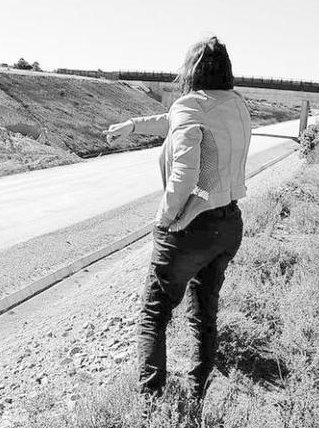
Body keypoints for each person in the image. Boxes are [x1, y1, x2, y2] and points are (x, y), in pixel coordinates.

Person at [103, 36, 251, 399]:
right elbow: (174, 120)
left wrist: (165, 219)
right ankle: (195, 396)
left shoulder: (191, 105)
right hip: (229, 225)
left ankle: (152, 410)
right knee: (204, 316)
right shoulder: (236, 105)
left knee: (154, 315)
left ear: (191, 70)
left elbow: (185, 172)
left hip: (192, 229)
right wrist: (133, 125)